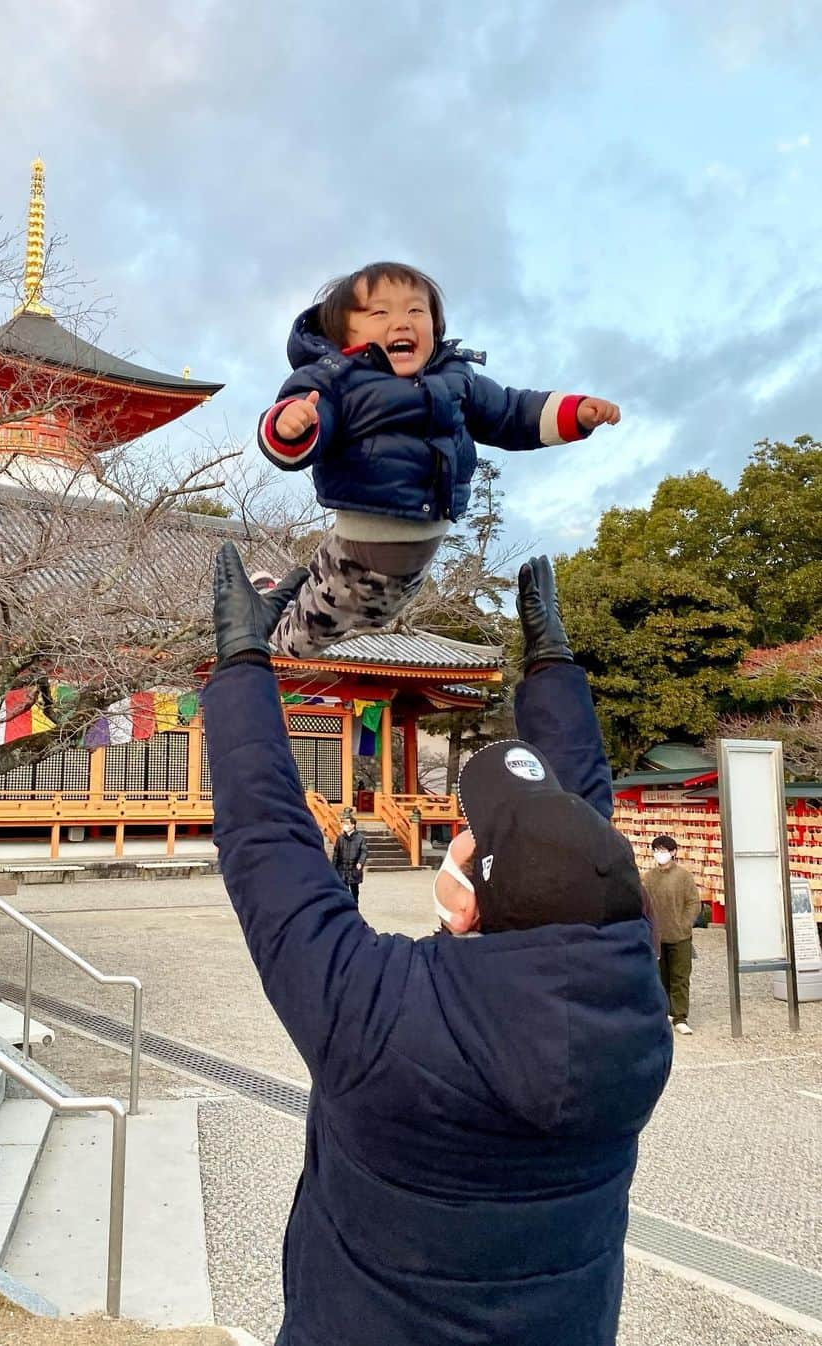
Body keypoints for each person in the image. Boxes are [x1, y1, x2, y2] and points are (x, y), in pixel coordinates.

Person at [204, 542, 671, 1346]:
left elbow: (266, 839)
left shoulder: (383, 1017)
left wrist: (245, 664)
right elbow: (581, 852)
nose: (458, 833)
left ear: (465, 909)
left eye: (469, 838)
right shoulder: (633, 1026)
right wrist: (553, 667)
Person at [256, 261, 620, 657]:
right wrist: (292, 425)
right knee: (295, 642)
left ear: (435, 326)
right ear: (344, 335)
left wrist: (575, 412)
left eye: (416, 311)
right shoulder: (336, 381)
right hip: (356, 555)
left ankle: (275, 596)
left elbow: (511, 412)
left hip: (416, 561)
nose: (402, 323)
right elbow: (306, 422)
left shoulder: (456, 380)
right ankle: (263, 607)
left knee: (376, 616)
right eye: (380, 313)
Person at [642, 834, 701, 1035]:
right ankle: (663, 1012)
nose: (660, 854)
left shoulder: (684, 877)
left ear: (673, 852)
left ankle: (680, 1016)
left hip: (680, 936)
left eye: (664, 850)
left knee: (680, 976)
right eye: (657, 851)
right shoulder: (648, 878)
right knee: (659, 977)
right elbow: (644, 905)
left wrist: (685, 924)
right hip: (657, 936)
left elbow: (693, 903)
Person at [331, 813, 368, 905]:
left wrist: (360, 862)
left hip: (354, 868)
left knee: (354, 891)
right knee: (343, 891)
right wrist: (333, 868)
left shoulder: (360, 838)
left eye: (347, 824)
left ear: (353, 825)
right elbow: (336, 854)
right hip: (342, 868)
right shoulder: (340, 838)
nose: (345, 826)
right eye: (344, 824)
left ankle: (355, 908)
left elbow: (364, 852)